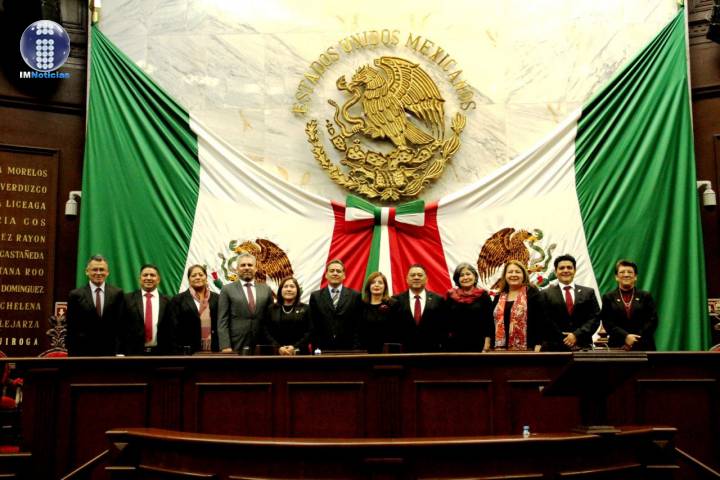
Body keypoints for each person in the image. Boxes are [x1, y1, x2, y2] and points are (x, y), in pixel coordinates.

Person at [66, 254, 125, 356]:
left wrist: (120, 351)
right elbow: (71, 328)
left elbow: (121, 326)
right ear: (87, 272)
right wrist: (72, 355)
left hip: (110, 352)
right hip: (83, 352)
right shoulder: (75, 295)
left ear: (107, 272)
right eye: (94, 269)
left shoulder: (117, 294)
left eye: (102, 270)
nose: (98, 273)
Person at [540, 254, 600, 351]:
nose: (565, 270)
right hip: (554, 347)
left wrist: (576, 335)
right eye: (561, 268)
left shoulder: (588, 292)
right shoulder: (544, 294)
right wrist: (564, 338)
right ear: (555, 272)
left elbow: (595, 318)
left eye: (569, 267)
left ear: (574, 270)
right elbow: (544, 320)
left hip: (582, 346)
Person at [218, 252, 273, 353]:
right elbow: (222, 321)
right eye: (243, 265)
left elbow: (271, 319)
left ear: (255, 268)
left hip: (262, 343)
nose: (246, 268)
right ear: (237, 269)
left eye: (250, 265)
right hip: (236, 344)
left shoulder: (266, 289)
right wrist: (225, 345)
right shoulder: (227, 289)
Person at [160, 264, 219, 354]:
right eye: (193, 275)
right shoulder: (178, 300)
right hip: (187, 352)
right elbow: (172, 329)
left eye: (201, 275)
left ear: (206, 277)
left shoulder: (217, 298)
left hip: (214, 350)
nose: (198, 277)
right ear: (189, 280)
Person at [600, 260, 658, 351]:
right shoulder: (608, 297)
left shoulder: (646, 296)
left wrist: (634, 339)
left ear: (635, 277)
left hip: (643, 345)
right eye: (622, 272)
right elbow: (607, 322)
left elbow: (652, 320)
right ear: (616, 277)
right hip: (618, 346)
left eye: (630, 272)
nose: (626, 275)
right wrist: (625, 337)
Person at [485, 260, 542, 352]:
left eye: (517, 272)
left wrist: (538, 344)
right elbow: (490, 323)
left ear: (524, 275)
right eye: (510, 272)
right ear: (505, 275)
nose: (513, 274)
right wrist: (487, 343)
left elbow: (540, 321)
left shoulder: (532, 293)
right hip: (499, 350)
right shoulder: (498, 296)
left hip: (528, 349)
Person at [309, 259, 363, 351]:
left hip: (349, 349)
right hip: (322, 349)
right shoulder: (315, 296)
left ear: (344, 275)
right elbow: (313, 325)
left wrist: (356, 348)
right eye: (332, 271)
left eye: (338, 271)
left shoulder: (355, 296)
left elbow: (358, 325)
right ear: (326, 275)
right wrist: (316, 348)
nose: (335, 273)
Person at [390, 264, 445, 352]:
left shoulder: (438, 300)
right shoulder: (396, 300)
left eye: (420, 275)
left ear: (426, 279)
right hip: (403, 354)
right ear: (407, 279)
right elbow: (392, 330)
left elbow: (442, 329)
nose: (416, 278)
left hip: (431, 353)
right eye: (412, 275)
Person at [444, 263, 493, 352]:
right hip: (454, 344)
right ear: (457, 279)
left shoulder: (483, 296)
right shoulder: (451, 296)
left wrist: (487, 343)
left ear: (475, 277)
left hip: (478, 343)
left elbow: (489, 322)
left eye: (468, 274)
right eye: (462, 275)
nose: (465, 277)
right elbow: (445, 322)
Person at [124, 264, 170, 355]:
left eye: (152, 275)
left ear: (158, 279)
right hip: (133, 353)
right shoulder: (127, 299)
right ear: (139, 279)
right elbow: (121, 327)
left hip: (161, 353)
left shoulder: (169, 301)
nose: (148, 278)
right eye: (145, 275)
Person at [264, 277, 312, 355]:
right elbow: (266, 331)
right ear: (280, 290)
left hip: (300, 353)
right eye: (285, 286)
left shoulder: (306, 308)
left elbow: (310, 331)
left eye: (292, 286)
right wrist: (278, 347)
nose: (289, 289)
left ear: (297, 290)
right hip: (276, 353)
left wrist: (294, 347)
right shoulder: (271, 309)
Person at [360, 272, 395, 353]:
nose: (376, 285)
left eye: (380, 282)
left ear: (385, 286)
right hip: (365, 351)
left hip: (387, 352)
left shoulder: (393, 305)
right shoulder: (362, 306)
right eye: (373, 282)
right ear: (368, 286)